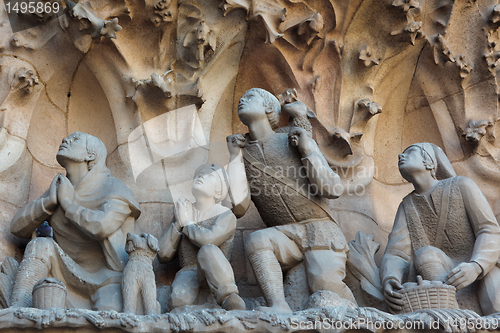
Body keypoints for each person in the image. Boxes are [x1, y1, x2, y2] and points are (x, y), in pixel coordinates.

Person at [226, 88, 354, 313]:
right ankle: (278, 305)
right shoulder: (242, 153)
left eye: (250, 97)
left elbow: (332, 188)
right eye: (241, 97)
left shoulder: (291, 138)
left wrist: (307, 151)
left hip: (320, 230)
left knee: (325, 289)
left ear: (268, 107)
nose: (241, 100)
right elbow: (240, 207)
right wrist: (234, 158)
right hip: (285, 235)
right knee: (257, 240)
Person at [10, 132, 140, 311]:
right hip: (62, 275)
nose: (65, 140)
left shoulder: (113, 187)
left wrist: (68, 205)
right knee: (40, 244)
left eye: (75, 139)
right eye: (67, 138)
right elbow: (16, 227)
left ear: (91, 155)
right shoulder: (60, 189)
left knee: (110, 310)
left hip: (108, 279)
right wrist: (48, 202)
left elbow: (102, 226)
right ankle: (18, 309)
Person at [380, 143, 500, 315]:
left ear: (429, 163)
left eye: (411, 152)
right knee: (426, 253)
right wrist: (390, 278)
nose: (401, 156)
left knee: (495, 302)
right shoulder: (406, 206)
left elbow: (488, 229)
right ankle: (449, 314)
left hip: (478, 268)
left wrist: (476, 266)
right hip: (441, 276)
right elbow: (396, 252)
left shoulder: (462, 185)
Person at [158, 164, 246, 311]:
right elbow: (162, 254)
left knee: (208, 250)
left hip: (216, 270)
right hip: (189, 271)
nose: (200, 177)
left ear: (219, 192)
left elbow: (207, 240)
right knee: (178, 301)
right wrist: (178, 224)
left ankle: (229, 296)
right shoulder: (184, 212)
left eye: (209, 175)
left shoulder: (225, 214)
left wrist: (187, 222)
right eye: (198, 174)